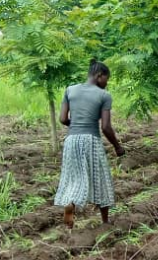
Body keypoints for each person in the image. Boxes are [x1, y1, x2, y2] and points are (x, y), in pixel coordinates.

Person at [55, 59, 125, 229]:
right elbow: (106, 127)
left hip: (71, 141)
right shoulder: (104, 95)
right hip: (91, 141)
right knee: (101, 179)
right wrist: (117, 146)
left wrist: (77, 125)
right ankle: (105, 221)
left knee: (74, 178)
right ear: (99, 75)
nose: (106, 83)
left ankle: (70, 204)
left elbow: (63, 119)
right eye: (106, 79)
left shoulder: (70, 90)